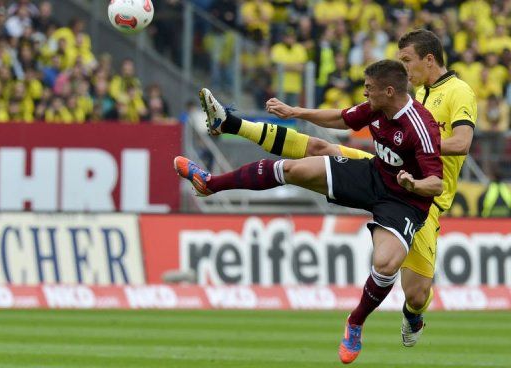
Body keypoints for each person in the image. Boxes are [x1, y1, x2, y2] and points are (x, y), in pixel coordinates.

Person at [198, 29, 477, 351]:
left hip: (422, 196)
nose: (404, 67)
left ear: (429, 59)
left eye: (407, 60)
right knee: (319, 148)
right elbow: (348, 118)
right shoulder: (405, 92)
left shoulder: (459, 92)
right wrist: (296, 112)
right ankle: (231, 124)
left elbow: (462, 143)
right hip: (385, 168)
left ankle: (413, 315)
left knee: (416, 293)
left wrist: (415, 140)